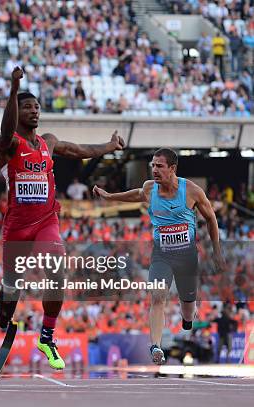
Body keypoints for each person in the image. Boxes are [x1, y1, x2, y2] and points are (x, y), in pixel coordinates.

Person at [0, 66, 125, 370]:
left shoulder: (48, 142)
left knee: (57, 272)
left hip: (46, 221)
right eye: (28, 107)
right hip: (16, 228)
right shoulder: (7, 144)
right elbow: (5, 129)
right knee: (11, 295)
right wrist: (14, 89)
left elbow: (79, 150)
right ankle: (6, 299)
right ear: (17, 110)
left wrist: (109, 146)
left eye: (37, 107)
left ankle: (47, 335)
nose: (35, 111)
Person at [93, 148, 227, 365]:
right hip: (161, 255)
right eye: (152, 165)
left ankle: (187, 319)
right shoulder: (150, 189)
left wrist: (217, 251)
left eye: (159, 166)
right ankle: (155, 346)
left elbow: (211, 218)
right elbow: (136, 194)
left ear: (172, 168)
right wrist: (109, 196)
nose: (153, 170)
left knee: (187, 307)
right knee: (157, 296)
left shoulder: (191, 191)